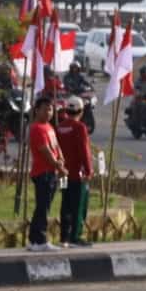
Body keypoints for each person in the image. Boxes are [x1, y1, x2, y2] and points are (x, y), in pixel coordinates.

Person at [26, 97, 66, 252]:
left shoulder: (49, 126)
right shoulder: (36, 128)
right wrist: (58, 166)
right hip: (43, 172)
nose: (48, 112)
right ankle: (40, 239)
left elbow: (56, 147)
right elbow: (45, 151)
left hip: (52, 171)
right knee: (42, 207)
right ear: (37, 110)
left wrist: (61, 160)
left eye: (50, 109)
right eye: (45, 109)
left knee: (44, 206)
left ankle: (33, 239)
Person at [54, 97, 94, 248]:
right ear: (81, 111)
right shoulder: (79, 127)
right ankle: (75, 236)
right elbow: (84, 151)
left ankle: (64, 235)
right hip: (78, 174)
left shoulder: (59, 127)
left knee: (66, 203)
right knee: (78, 205)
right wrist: (89, 170)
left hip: (63, 174)